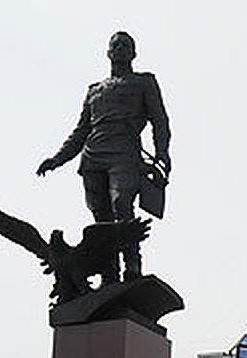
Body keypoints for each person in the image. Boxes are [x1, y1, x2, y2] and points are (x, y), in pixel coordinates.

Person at [36, 31, 171, 283]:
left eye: (125, 45)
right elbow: (80, 132)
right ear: (108, 53)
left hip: (125, 154)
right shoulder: (94, 90)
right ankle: (110, 273)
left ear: (133, 53)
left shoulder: (144, 82)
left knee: (122, 204)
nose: (120, 48)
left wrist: (162, 152)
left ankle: (133, 266)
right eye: (115, 45)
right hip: (92, 157)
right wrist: (56, 159)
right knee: (101, 220)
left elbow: (159, 120)